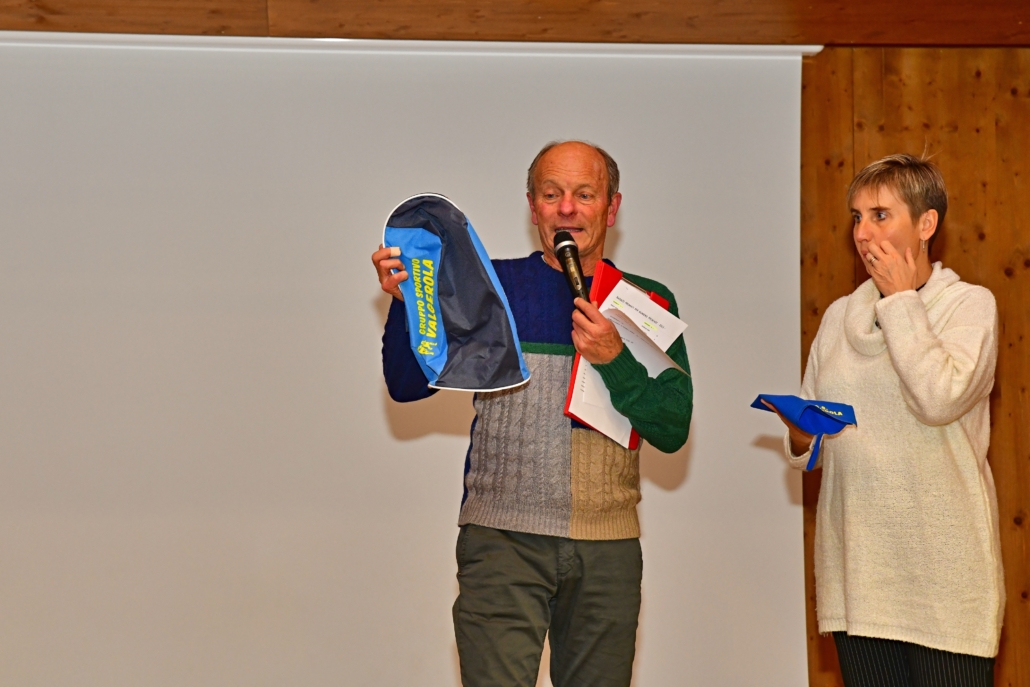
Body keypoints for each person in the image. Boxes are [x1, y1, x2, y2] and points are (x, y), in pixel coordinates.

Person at [371, 140, 693, 687]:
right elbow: (407, 386)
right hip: (502, 542)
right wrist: (408, 306)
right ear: (532, 206)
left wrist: (615, 360)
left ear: (611, 207)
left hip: (608, 552)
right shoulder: (489, 290)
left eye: (584, 194)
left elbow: (672, 427)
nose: (567, 208)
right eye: (551, 194)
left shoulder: (647, 302)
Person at [768, 154, 1003, 687]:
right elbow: (813, 440)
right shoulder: (838, 317)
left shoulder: (969, 307)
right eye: (857, 217)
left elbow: (938, 400)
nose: (862, 232)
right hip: (860, 576)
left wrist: (899, 302)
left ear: (926, 223)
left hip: (945, 579)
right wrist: (801, 434)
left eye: (879, 215)